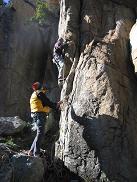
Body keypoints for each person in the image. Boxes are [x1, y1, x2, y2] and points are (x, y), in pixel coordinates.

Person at [28, 81, 60, 157]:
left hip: (36, 115)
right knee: (40, 133)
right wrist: (56, 105)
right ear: (40, 87)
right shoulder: (39, 93)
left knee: (39, 133)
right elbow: (47, 102)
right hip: (39, 115)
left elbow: (44, 102)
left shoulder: (34, 94)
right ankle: (36, 153)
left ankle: (31, 151)